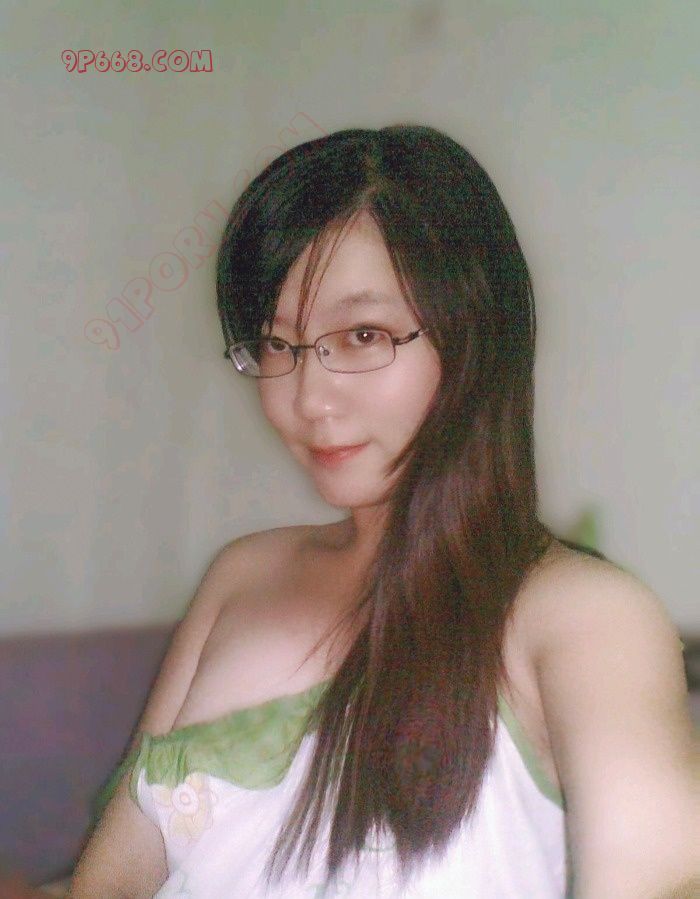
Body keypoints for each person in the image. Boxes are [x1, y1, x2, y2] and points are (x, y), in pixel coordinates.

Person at [70, 125, 697, 898]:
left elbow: (661, 876)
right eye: (278, 343)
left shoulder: (585, 616)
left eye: (362, 334)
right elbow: (111, 877)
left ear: (473, 335)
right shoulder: (242, 574)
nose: (308, 398)